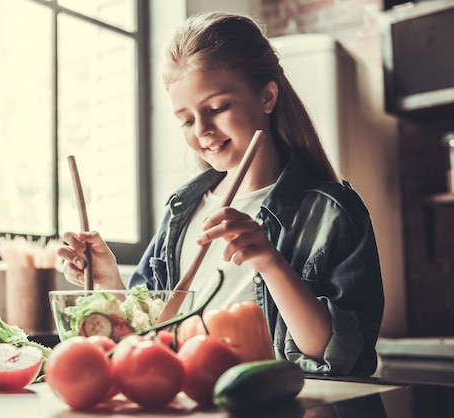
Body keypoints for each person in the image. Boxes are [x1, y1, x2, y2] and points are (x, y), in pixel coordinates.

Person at [57, 11, 384, 377]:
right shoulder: (184, 209)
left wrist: (270, 264)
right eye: (186, 119)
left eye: (216, 108)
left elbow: (344, 357)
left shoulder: (334, 213)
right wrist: (111, 281)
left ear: (267, 97)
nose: (203, 130)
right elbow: (149, 333)